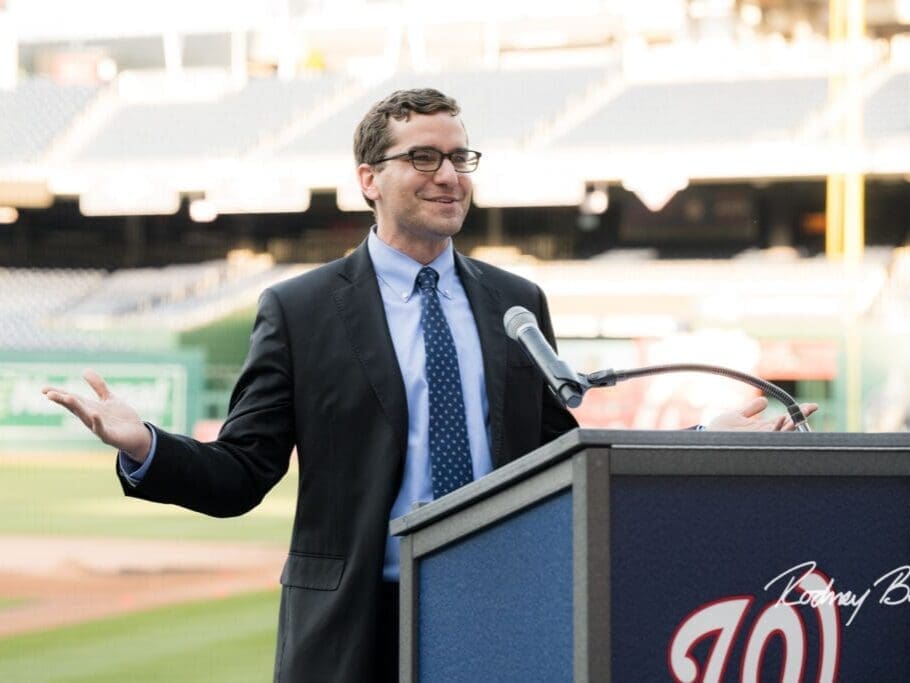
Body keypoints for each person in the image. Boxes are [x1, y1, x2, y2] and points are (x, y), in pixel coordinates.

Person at [42, 88, 816, 682]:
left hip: (501, 611)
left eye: (460, 157)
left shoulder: (518, 303)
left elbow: (566, 468)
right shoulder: (300, 309)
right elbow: (243, 470)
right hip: (355, 628)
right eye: (424, 157)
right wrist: (144, 444)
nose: (448, 175)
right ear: (367, 179)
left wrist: (702, 444)